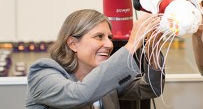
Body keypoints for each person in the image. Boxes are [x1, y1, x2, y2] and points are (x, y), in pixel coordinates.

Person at [26, 9, 165, 108]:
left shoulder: (104, 79)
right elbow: (80, 95)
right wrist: (132, 44)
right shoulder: (42, 73)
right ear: (73, 43)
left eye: (110, 37)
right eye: (99, 36)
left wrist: (152, 47)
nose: (109, 44)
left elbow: (151, 88)